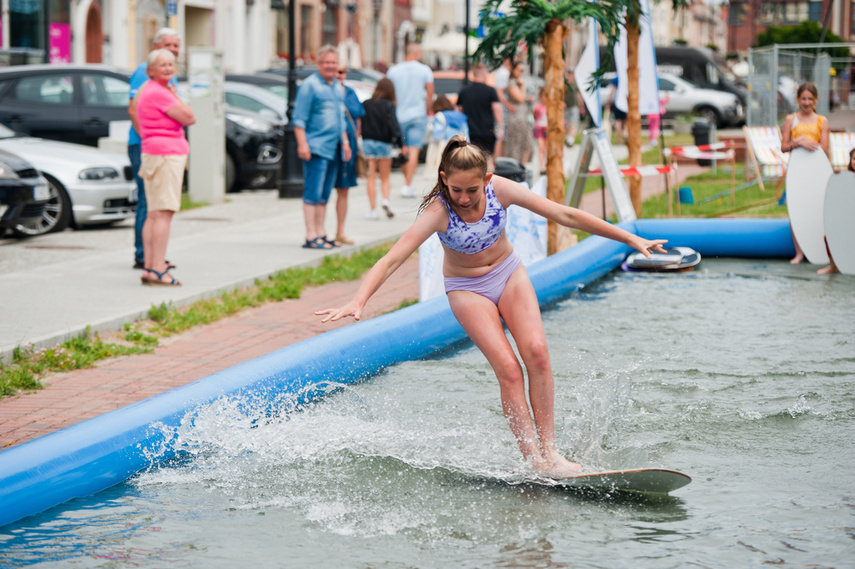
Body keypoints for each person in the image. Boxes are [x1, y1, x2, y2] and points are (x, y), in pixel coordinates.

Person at [315, 136, 668, 477]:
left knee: (538, 353)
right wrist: (359, 299)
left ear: (486, 178)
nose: (465, 198)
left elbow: (565, 214)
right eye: (456, 190)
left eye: (472, 189)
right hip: (467, 288)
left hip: (508, 273)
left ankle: (550, 452)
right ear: (444, 180)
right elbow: (393, 259)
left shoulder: (500, 189)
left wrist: (629, 237)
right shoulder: (439, 211)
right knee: (509, 369)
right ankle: (534, 461)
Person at [136, 48, 196, 286]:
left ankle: (150, 266)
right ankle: (158, 268)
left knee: (153, 214)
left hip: (153, 153)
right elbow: (189, 117)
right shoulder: (160, 92)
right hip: (165, 155)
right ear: (151, 70)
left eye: (171, 65)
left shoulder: (147, 90)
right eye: (163, 65)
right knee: (163, 214)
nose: (169, 69)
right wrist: (174, 94)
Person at [128, 27, 180, 271]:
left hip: (162, 147)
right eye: (167, 45)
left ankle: (154, 257)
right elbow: (133, 109)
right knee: (149, 205)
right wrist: (147, 139)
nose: (172, 50)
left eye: (176, 46)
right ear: (156, 46)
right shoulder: (145, 71)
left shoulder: (170, 74)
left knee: (157, 206)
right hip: (146, 146)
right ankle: (144, 257)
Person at [293, 45, 351, 249]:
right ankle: (311, 235)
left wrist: (344, 142)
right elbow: (299, 119)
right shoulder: (309, 86)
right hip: (316, 147)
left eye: (333, 62)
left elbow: (340, 118)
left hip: (334, 148)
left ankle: (321, 232)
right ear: (318, 63)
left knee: (325, 193)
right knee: (313, 192)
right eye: (326, 62)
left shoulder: (336, 85)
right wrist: (302, 144)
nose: (330, 66)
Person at [781, 82, 829, 265]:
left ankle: (819, 249)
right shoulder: (790, 120)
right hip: (797, 171)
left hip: (816, 171)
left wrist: (807, 142)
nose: (807, 102)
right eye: (803, 99)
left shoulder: (821, 121)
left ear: (815, 100)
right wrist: (798, 141)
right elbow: (784, 147)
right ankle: (799, 252)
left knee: (816, 207)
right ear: (798, 99)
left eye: (810, 99)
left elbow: (823, 148)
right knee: (796, 209)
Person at [387, 42, 434, 198]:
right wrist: (427, 112)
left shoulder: (393, 71)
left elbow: (389, 94)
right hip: (417, 115)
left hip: (398, 116)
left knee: (403, 149)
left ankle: (406, 183)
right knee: (414, 149)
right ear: (417, 53)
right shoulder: (424, 70)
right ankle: (408, 184)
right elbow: (429, 94)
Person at [361, 77, 405, 220]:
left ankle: (373, 210)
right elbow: (394, 125)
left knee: (371, 177)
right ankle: (385, 200)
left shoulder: (366, 104)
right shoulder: (389, 105)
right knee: (385, 177)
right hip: (384, 143)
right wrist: (400, 144)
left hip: (368, 142)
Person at [333, 65, 365, 245]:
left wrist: (356, 137)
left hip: (349, 145)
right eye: (337, 71)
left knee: (343, 189)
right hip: (331, 144)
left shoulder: (351, 93)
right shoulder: (327, 90)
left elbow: (358, 117)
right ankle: (319, 232)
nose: (339, 75)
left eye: (342, 72)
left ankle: (340, 231)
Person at [456, 63, 502, 168]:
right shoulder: (490, 90)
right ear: (484, 74)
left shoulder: (464, 91)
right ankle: (490, 182)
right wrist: (500, 128)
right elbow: (497, 110)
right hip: (487, 131)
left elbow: (459, 110)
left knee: (473, 161)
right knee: (489, 159)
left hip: (470, 131)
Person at [817, 147, 854, 274]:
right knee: (828, 237)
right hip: (847, 218)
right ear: (851, 161)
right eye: (854, 159)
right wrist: (837, 178)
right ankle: (833, 266)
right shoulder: (845, 177)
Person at [426, 94, 468, 171]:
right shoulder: (461, 116)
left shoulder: (439, 116)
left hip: (445, 144)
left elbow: (437, 135)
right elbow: (466, 133)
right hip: (460, 144)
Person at [503, 61, 532, 167]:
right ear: (513, 70)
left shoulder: (517, 83)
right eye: (520, 70)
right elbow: (519, 98)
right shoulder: (512, 83)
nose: (521, 73)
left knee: (526, 143)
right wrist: (523, 85)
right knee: (516, 143)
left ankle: (521, 166)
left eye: (523, 70)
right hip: (517, 118)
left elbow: (521, 98)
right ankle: (516, 167)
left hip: (523, 116)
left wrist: (527, 99)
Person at [493, 58, 514, 158]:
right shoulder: (503, 73)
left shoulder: (505, 72)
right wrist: (507, 104)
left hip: (505, 108)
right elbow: (499, 92)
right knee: (501, 136)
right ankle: (497, 161)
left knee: (503, 136)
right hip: (504, 108)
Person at [563, 68, 581, 147]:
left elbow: (579, 95)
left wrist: (581, 106)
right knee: (566, 124)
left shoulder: (576, 84)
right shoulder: (565, 84)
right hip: (566, 107)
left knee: (573, 123)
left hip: (574, 106)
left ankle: (570, 140)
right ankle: (568, 138)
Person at [532, 87, 548, 174]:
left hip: (547, 128)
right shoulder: (537, 107)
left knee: (546, 148)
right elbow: (535, 117)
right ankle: (541, 167)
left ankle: (546, 165)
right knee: (541, 147)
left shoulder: (550, 106)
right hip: (539, 128)